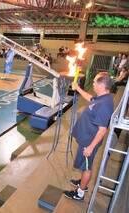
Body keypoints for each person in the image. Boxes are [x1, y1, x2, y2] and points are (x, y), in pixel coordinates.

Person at [64, 72, 114, 201]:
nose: (93, 84)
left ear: (102, 84)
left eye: (94, 82)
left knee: (87, 167)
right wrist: (78, 88)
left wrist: (91, 147)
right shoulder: (102, 97)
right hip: (85, 139)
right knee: (83, 165)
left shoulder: (105, 105)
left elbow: (102, 130)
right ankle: (82, 182)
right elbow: (90, 99)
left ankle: (80, 192)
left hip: (89, 142)